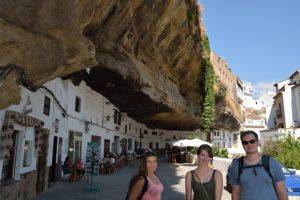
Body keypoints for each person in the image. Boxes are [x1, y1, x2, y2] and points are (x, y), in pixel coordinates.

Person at [229, 130, 288, 200]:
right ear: (243, 145)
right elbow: (236, 193)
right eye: (245, 142)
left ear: (257, 142)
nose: (249, 144)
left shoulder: (271, 162)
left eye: (252, 141)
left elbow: (281, 192)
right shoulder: (236, 166)